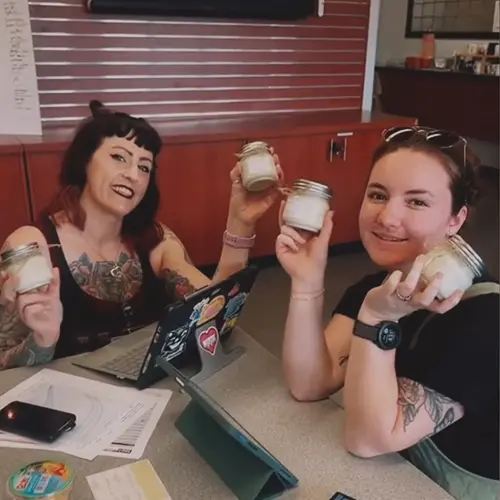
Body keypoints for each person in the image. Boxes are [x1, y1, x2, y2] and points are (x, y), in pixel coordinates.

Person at [276, 126, 499, 500]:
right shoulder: (377, 286)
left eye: (416, 202)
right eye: (378, 195)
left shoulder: (485, 320)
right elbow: (311, 383)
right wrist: (307, 282)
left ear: (456, 219)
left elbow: (368, 441)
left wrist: (377, 320)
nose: (387, 217)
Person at [0, 100, 283, 369]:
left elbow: (213, 316)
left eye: (144, 167)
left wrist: (240, 221)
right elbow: (4, 364)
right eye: (118, 157)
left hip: (151, 399)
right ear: (85, 161)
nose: (133, 175)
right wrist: (42, 341)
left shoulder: (157, 241)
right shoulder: (31, 248)